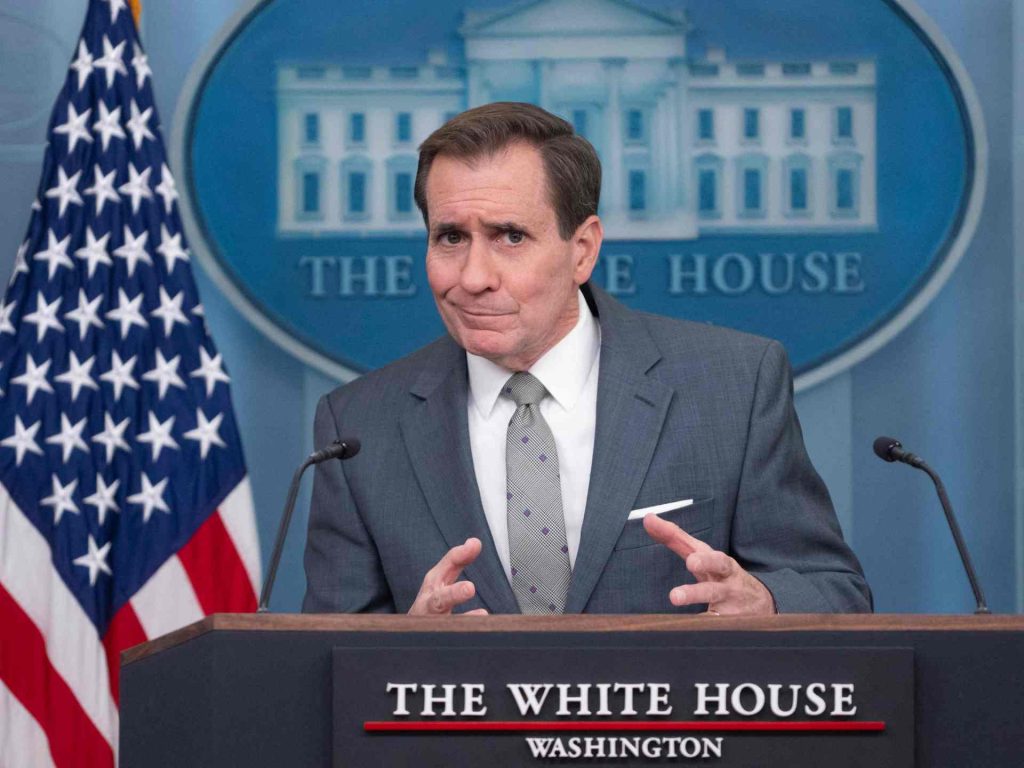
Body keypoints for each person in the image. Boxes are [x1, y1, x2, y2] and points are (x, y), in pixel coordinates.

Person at [302, 102, 871, 616]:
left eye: (510, 237)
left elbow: (835, 593)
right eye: (450, 238)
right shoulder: (357, 428)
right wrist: (401, 647)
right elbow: (325, 657)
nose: (473, 277)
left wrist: (765, 602)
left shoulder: (733, 387)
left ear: (583, 250)